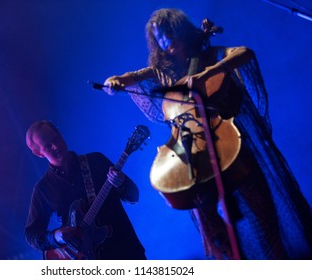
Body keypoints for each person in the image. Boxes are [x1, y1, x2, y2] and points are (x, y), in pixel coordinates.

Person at [102, 8, 312, 259]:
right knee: (212, 231)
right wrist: (113, 82)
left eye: (168, 32)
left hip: (232, 145)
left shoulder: (210, 54)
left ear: (181, 29)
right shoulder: (161, 72)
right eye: (159, 37)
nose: (165, 40)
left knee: (264, 217)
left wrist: (209, 73)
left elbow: (244, 53)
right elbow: (129, 77)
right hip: (194, 160)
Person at [24, 120, 146, 260]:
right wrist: (56, 236)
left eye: (56, 139)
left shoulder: (96, 161)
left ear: (60, 133)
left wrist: (121, 182)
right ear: (37, 153)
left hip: (125, 250)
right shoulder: (43, 188)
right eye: (47, 146)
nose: (56, 146)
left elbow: (134, 197)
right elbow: (31, 234)